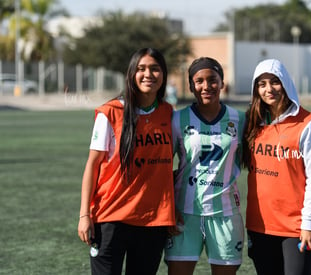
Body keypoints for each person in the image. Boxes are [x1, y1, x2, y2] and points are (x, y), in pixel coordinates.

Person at [77, 47, 175, 275]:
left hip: (153, 220)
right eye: (141, 69)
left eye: (155, 69)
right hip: (111, 217)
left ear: (164, 74)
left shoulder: (168, 113)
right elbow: (92, 165)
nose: (148, 74)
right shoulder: (110, 113)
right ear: (131, 74)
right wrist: (84, 215)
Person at [242, 59, 311, 275]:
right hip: (259, 225)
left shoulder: (308, 123)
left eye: (274, 82)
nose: (268, 89)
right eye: (261, 84)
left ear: (286, 83)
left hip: (296, 227)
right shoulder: (252, 122)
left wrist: (309, 224)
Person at [164, 57, 245, 275]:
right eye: (199, 81)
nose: (206, 86)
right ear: (191, 85)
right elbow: (162, 168)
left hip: (225, 214)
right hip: (183, 214)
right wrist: (167, 208)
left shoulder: (240, 119)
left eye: (212, 80)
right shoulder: (176, 119)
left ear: (222, 83)